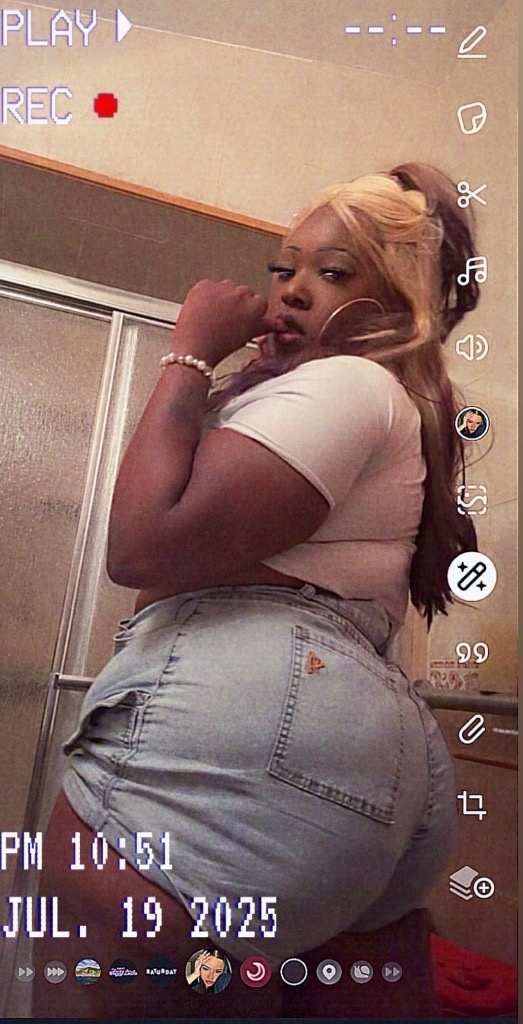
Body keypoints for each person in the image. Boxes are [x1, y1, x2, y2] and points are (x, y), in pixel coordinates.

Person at [34, 162, 479, 1019]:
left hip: (261, 717)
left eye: (333, 272)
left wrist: (190, 353)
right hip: (358, 746)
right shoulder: (382, 406)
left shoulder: (346, 383)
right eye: (285, 268)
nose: (292, 290)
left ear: (395, 308)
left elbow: (141, 545)